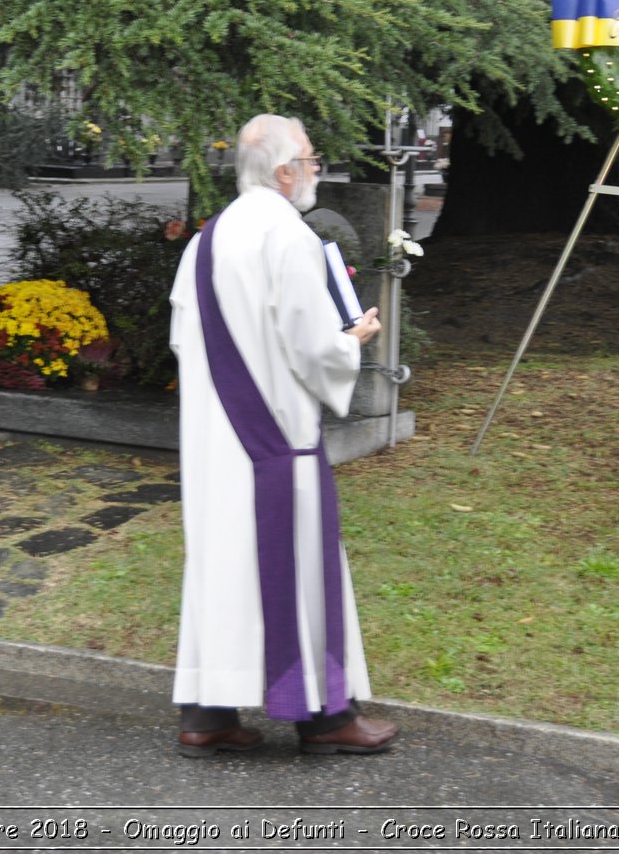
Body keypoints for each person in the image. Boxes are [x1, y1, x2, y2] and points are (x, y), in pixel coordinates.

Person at [168, 113, 397, 757]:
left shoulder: (208, 239)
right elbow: (307, 345)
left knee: (221, 571)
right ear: (284, 171)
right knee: (294, 569)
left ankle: (207, 716)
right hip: (275, 446)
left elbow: (184, 340)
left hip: (218, 444)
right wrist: (351, 343)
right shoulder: (287, 236)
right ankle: (324, 718)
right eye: (312, 159)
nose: (317, 169)